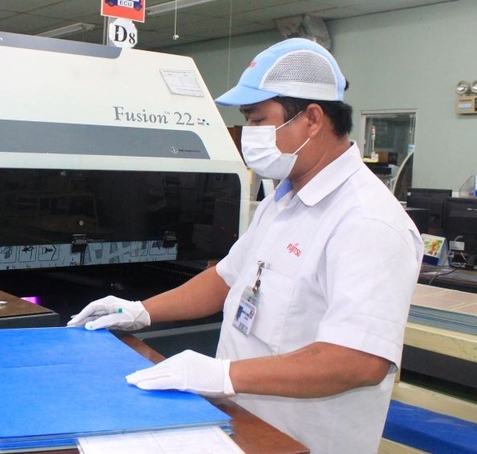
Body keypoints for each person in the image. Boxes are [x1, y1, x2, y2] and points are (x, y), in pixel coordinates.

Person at [68, 38, 423, 454]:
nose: (249, 134)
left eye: (257, 120)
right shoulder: (283, 198)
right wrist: (140, 311)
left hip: (300, 442)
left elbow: (359, 361)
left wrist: (223, 375)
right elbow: (224, 279)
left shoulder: (367, 222)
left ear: (312, 119)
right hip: (239, 426)